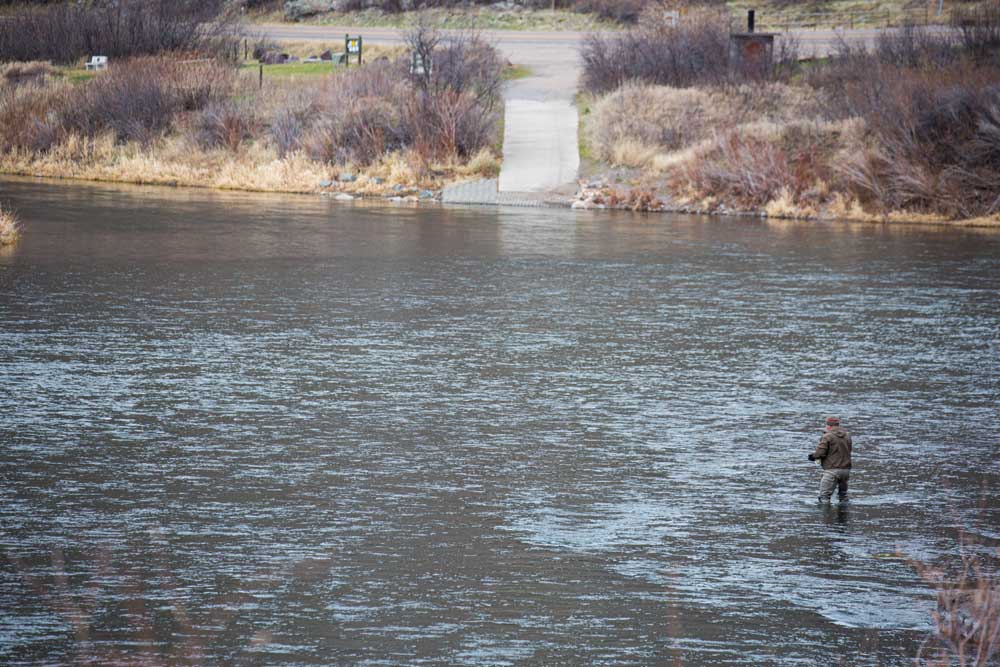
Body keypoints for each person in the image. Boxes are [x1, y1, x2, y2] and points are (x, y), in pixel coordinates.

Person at [808, 416, 852, 503]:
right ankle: (844, 516)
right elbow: (849, 450)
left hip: (832, 470)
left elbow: (821, 453)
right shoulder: (847, 435)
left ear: (828, 426)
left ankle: (826, 516)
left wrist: (812, 457)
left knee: (824, 497)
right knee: (843, 497)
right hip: (846, 470)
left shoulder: (827, 436)